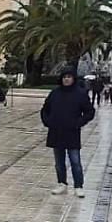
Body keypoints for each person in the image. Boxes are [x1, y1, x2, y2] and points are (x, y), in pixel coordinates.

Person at [41, 67, 96, 198]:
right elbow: (45, 109)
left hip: (72, 132)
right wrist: (48, 121)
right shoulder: (54, 93)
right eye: (64, 77)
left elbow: (90, 112)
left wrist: (78, 123)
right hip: (56, 131)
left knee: (75, 161)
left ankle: (78, 186)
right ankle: (61, 183)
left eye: (69, 77)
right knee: (59, 161)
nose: (66, 79)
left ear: (73, 78)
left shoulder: (80, 94)